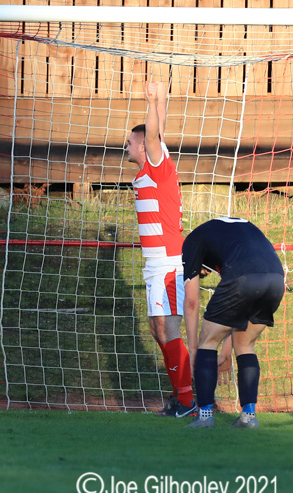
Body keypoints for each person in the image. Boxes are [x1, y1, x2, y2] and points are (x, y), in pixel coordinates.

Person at [125, 80, 195, 418]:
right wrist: (161, 98)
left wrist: (153, 101)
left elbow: (155, 135)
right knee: (157, 329)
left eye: (130, 141)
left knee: (168, 329)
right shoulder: (148, 169)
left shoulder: (159, 165)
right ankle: (182, 395)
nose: (126, 145)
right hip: (155, 264)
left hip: (169, 262)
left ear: (142, 145)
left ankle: (189, 399)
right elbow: (158, 133)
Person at [182, 217, 285, 428]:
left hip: (243, 277)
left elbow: (191, 302)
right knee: (245, 344)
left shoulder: (191, 241)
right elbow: (236, 314)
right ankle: (248, 417)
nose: (206, 274)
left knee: (207, 342)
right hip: (276, 279)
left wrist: (193, 350)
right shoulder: (237, 230)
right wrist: (226, 351)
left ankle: (205, 416)